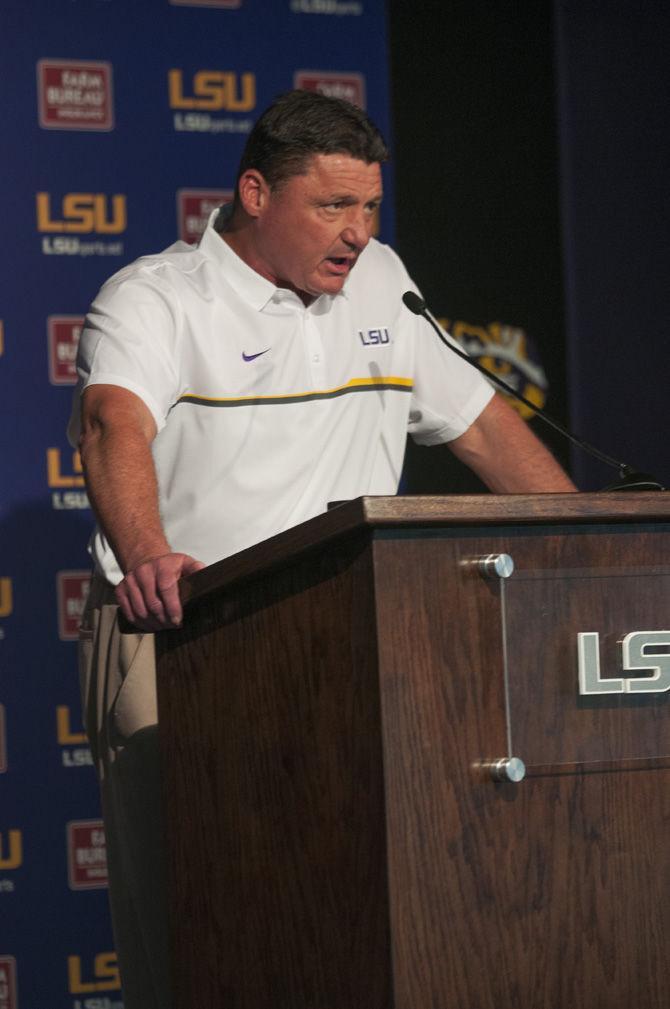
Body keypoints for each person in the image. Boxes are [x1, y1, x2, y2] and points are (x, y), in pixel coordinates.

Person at [69, 89, 575, 1008]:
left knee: (340, 907)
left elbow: (484, 425)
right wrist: (147, 552)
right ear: (256, 193)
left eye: (370, 205)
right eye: (332, 206)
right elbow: (113, 426)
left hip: (353, 633)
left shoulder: (382, 278)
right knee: (193, 916)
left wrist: (582, 546)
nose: (357, 231)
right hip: (182, 629)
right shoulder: (154, 299)